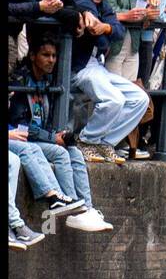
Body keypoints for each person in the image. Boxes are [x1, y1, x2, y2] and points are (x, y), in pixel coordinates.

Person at [9, 36, 113, 231]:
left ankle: (86, 207)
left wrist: (59, 134)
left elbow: (44, 119)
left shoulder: (49, 80)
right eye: (46, 55)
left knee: (74, 151)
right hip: (24, 138)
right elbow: (20, 125)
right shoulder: (21, 81)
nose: (51, 60)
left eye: (54, 56)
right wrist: (51, 138)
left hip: (41, 137)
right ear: (33, 56)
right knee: (60, 153)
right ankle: (72, 207)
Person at [69, 0, 150, 160]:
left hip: (96, 65)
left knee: (140, 99)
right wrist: (91, 18)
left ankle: (105, 142)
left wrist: (105, 27)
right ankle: (86, 140)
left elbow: (119, 30)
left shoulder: (103, 5)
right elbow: (81, 5)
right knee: (114, 100)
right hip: (78, 67)